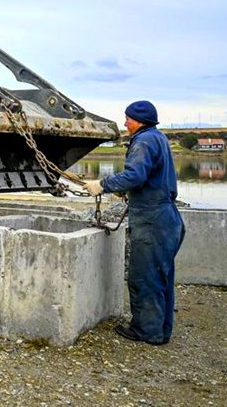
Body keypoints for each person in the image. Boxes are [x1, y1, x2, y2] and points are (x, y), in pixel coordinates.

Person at [85, 100, 185, 345]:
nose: (125, 123)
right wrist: (126, 190)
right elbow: (147, 177)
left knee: (145, 276)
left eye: (128, 119)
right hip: (166, 216)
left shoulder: (143, 141)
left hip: (152, 220)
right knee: (162, 277)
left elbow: (135, 174)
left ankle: (147, 331)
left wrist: (102, 185)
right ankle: (161, 330)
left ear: (139, 121)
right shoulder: (158, 137)